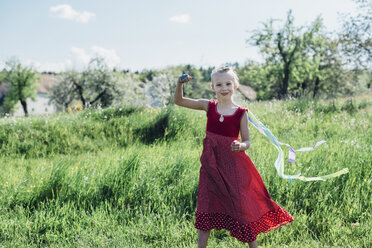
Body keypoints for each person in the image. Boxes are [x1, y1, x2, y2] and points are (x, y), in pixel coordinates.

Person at [174, 66, 294, 248]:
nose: (224, 88)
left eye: (228, 83)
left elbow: (247, 142)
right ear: (213, 87)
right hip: (210, 167)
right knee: (206, 204)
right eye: (219, 84)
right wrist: (179, 84)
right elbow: (180, 101)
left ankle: (253, 246)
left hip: (233, 166)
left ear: (235, 85)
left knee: (241, 206)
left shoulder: (241, 113)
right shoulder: (209, 106)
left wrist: (240, 146)